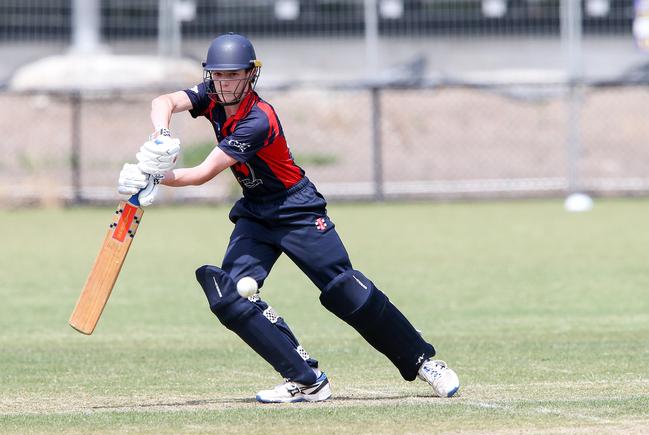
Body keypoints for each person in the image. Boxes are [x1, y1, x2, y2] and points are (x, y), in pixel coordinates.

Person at [117, 33, 460, 403]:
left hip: (296, 208)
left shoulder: (258, 119)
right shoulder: (211, 93)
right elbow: (162, 101)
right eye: (218, 75)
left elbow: (202, 174)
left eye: (233, 75)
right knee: (228, 295)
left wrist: (154, 175)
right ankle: (306, 379)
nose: (224, 83)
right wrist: (162, 137)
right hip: (256, 213)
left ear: (250, 76)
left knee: (345, 290)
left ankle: (424, 362)